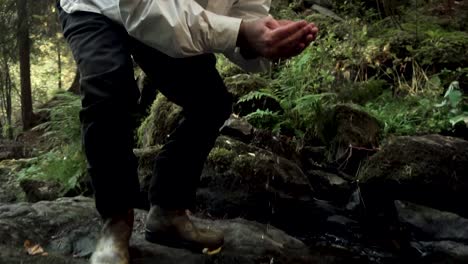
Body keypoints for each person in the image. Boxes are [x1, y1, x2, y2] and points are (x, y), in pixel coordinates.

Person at [57, 0, 318, 263]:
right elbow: (146, 11)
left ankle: (168, 212)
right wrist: (241, 32)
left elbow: (243, 14)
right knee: (108, 90)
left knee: (211, 102)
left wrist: (266, 38)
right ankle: (116, 222)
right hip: (96, 7)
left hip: (168, 13)